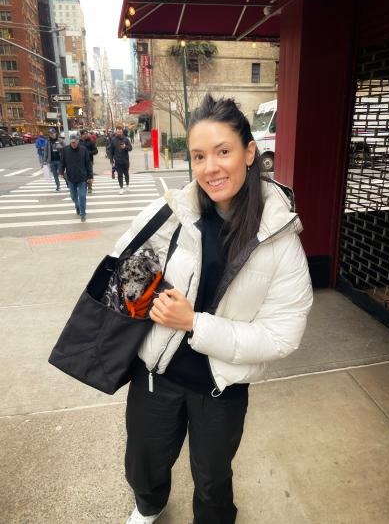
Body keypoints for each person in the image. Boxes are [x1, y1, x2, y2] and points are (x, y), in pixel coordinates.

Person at [111, 95, 313, 524]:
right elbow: (124, 276)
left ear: (249, 152)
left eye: (223, 152)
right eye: (199, 156)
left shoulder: (278, 239)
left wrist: (194, 324)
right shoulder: (172, 215)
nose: (210, 168)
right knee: (143, 462)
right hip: (155, 375)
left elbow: (283, 335)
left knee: (213, 479)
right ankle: (148, 506)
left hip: (220, 388)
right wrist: (141, 290)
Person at [60, 133, 92, 222]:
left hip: (82, 177)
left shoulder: (83, 150)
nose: (73, 144)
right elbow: (62, 162)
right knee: (73, 197)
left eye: (75, 142)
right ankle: (78, 206)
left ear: (78, 141)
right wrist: (61, 172)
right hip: (71, 178)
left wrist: (90, 176)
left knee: (82, 196)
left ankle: (83, 214)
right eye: (72, 142)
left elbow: (88, 164)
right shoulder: (65, 150)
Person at [110, 125, 132, 194]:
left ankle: (127, 185)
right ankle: (121, 188)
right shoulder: (113, 140)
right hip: (117, 161)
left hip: (125, 160)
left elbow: (130, 148)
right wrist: (111, 160)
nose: (119, 131)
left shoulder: (126, 139)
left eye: (120, 130)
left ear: (122, 131)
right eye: (118, 130)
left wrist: (125, 147)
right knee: (119, 175)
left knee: (126, 174)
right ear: (116, 131)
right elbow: (111, 151)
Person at [79, 130, 98, 194]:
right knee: (82, 174)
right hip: (80, 161)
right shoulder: (79, 143)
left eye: (87, 134)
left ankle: (89, 187)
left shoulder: (91, 142)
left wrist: (88, 153)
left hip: (89, 161)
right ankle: (83, 186)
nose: (86, 135)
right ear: (81, 135)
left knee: (89, 174)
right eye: (84, 134)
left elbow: (96, 151)